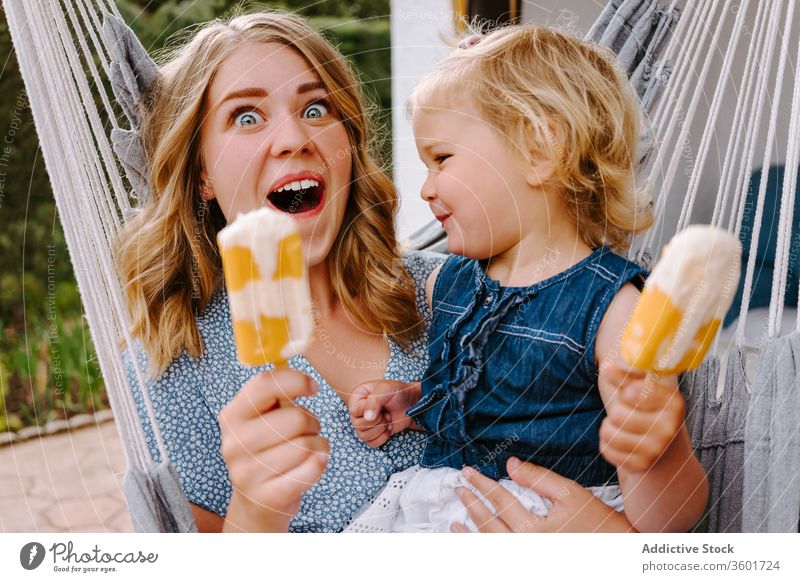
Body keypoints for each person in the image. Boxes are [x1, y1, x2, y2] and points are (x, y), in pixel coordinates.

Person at [116, 10, 649, 533]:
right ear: (202, 173)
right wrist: (255, 514)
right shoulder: (175, 363)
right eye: (247, 117)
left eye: (317, 108)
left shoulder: (458, 290)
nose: (295, 138)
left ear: (347, 145)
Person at [347, 25, 708, 533]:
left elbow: (666, 526)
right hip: (436, 511)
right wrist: (416, 401)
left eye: (442, 159)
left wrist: (657, 450)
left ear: (539, 150)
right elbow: (474, 391)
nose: (426, 189)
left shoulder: (618, 311)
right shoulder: (449, 283)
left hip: (550, 523)